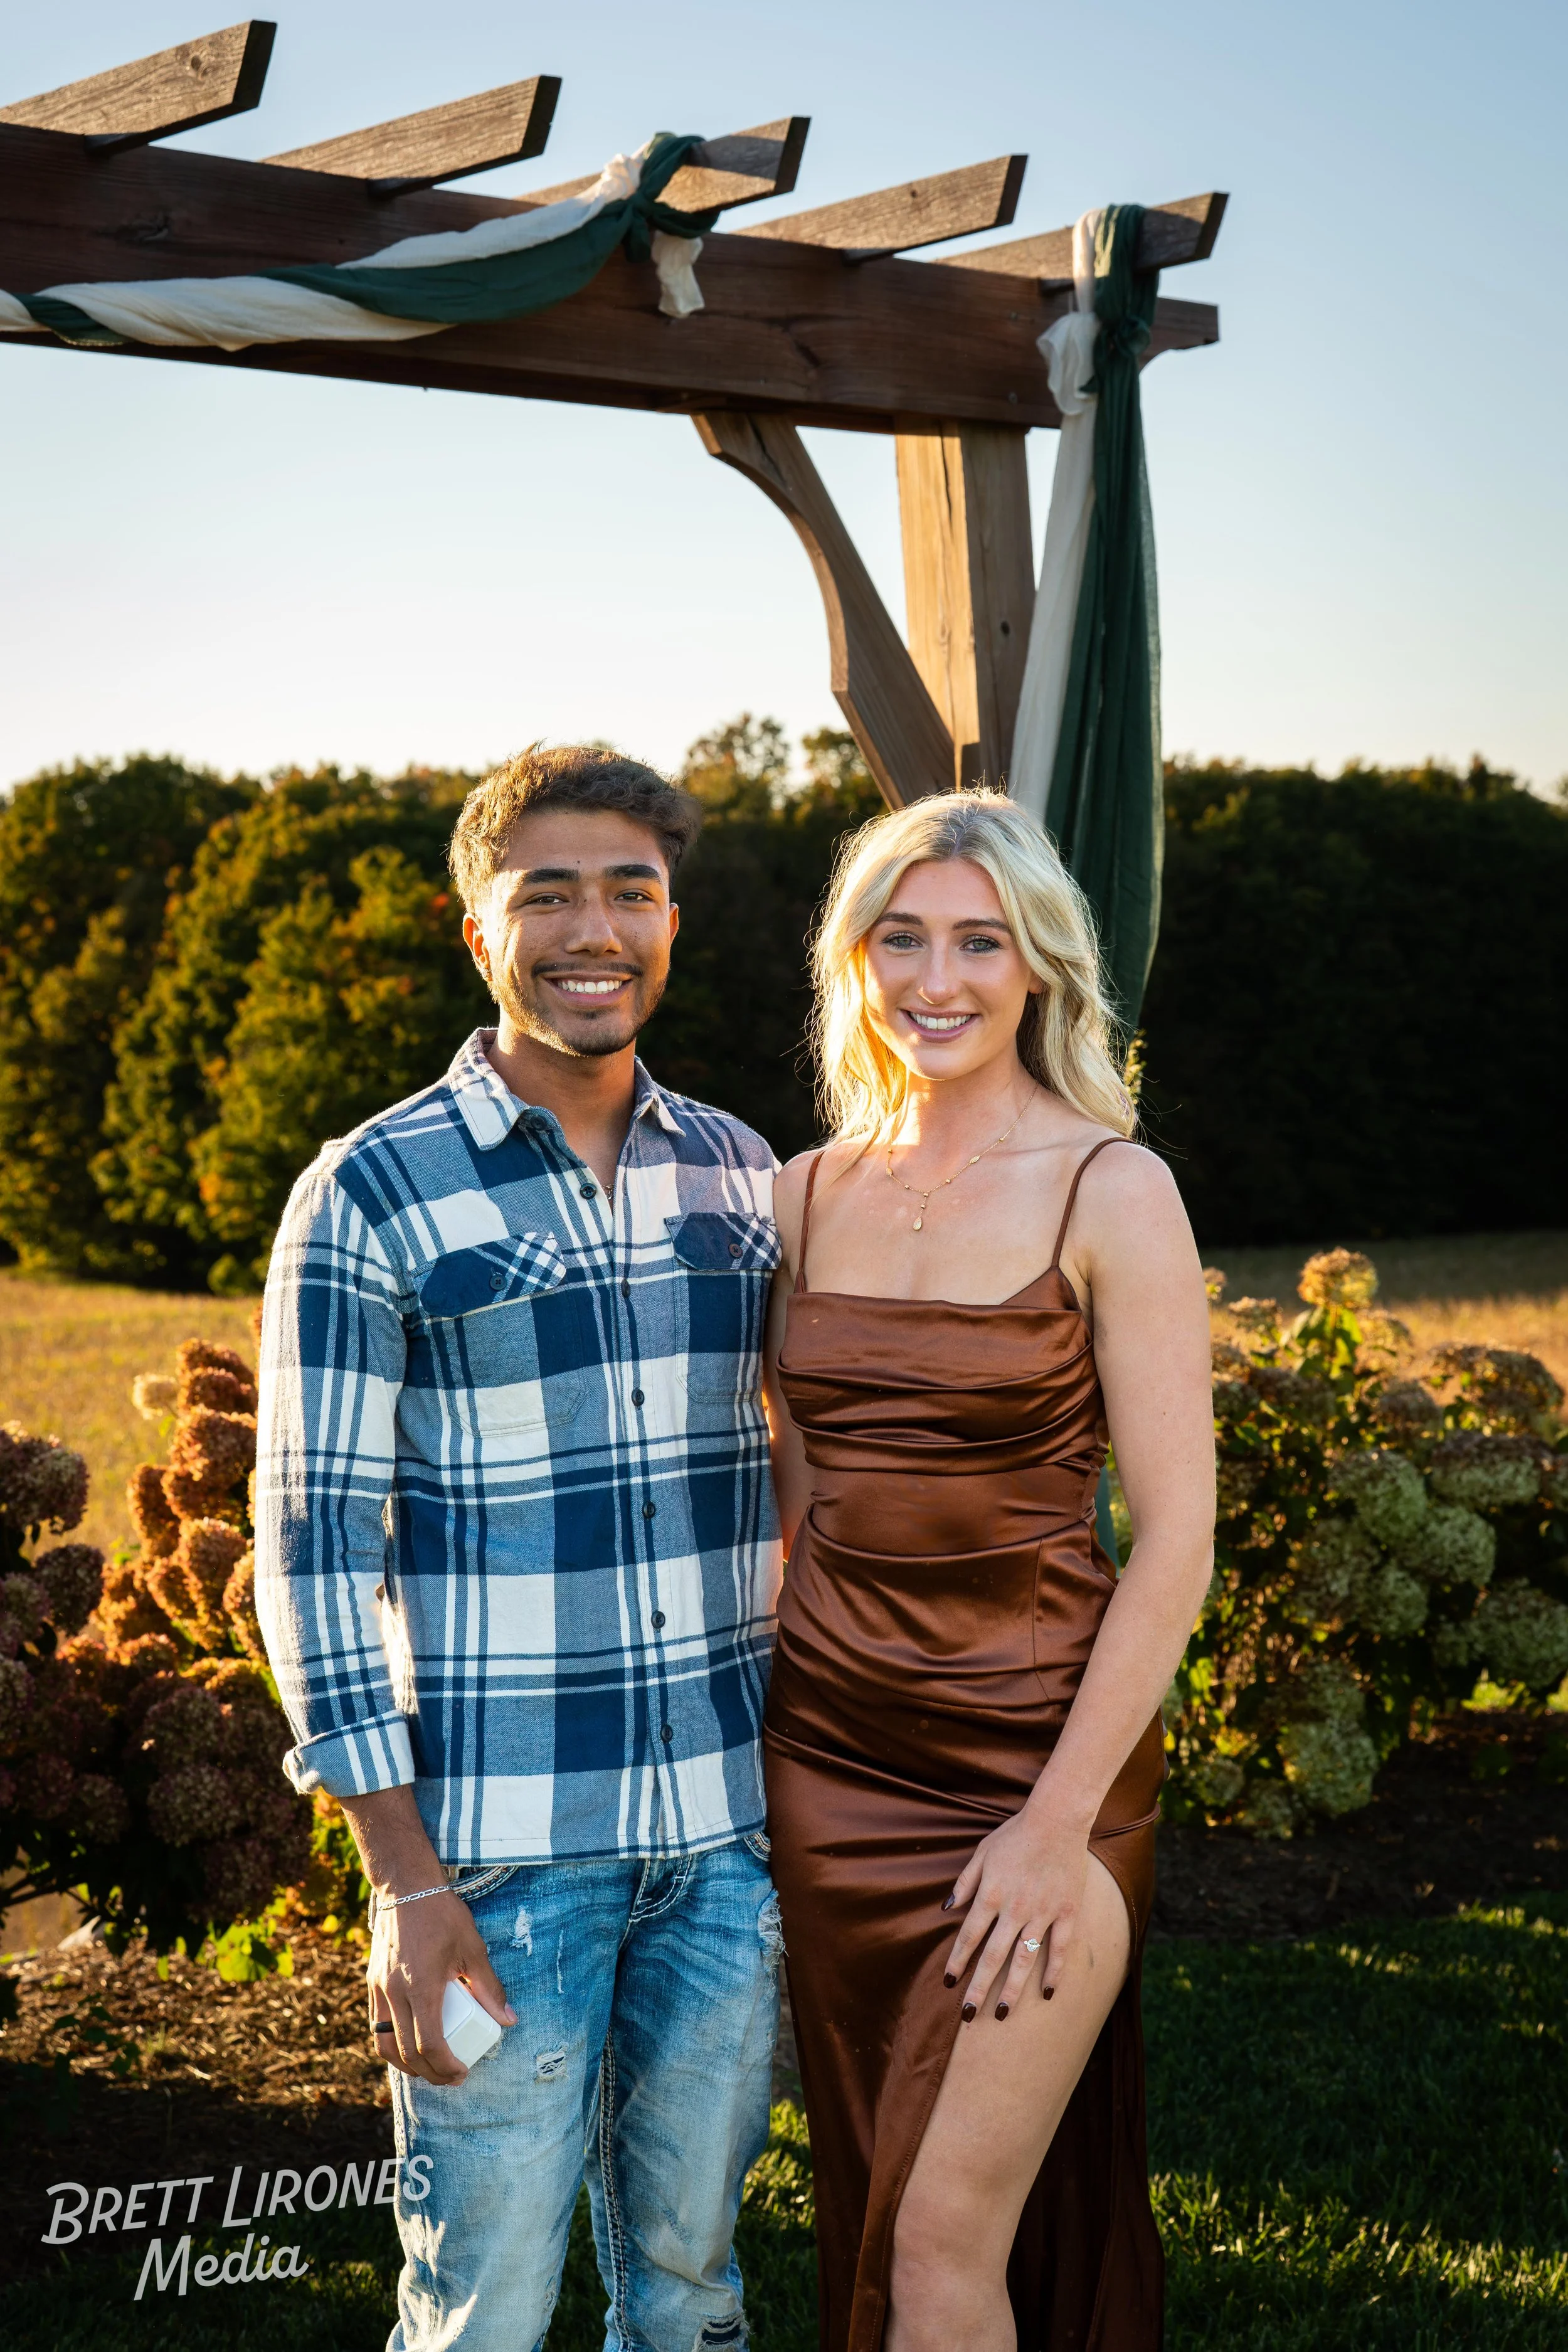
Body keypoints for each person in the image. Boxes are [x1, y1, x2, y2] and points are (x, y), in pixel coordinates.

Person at [254, 746, 785, 2352]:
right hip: (495, 1864)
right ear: (476, 928)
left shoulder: (742, 1173)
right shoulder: (370, 1189)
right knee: (482, 2309)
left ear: (672, 922)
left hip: (727, 1847)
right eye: (546, 894)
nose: (592, 931)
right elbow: (310, 1548)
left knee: (691, 2290)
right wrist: (402, 1881)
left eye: (630, 892)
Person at [761, 789, 1216, 2352]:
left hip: (1035, 1760)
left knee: (944, 2233)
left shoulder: (1110, 1188)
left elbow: (1174, 1542)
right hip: (825, 1763)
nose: (936, 979)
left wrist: (1053, 1822)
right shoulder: (801, 1193)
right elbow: (801, 1484)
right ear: (855, 959)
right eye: (901, 939)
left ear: (1038, 967)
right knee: (870, 2190)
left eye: (979, 941)